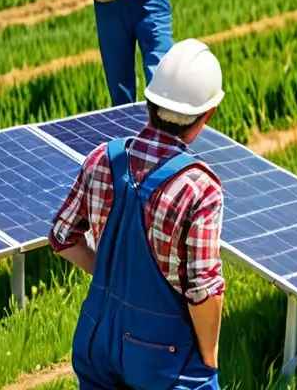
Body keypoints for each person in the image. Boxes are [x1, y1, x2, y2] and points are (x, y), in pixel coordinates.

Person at [49, 38, 225, 390]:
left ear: (149, 104)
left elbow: (61, 237)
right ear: (206, 117)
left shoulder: (103, 158)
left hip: (97, 337)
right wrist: (209, 355)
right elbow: (202, 289)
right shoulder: (199, 187)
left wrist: (111, 277)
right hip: (162, 356)